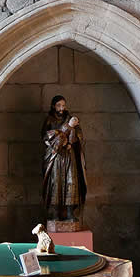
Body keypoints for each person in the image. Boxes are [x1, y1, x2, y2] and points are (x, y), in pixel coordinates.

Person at [41, 95, 87, 227]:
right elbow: (48, 136)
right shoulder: (49, 119)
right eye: (59, 105)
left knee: (71, 182)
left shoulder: (70, 118)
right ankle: (54, 213)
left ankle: (70, 213)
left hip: (69, 156)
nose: (62, 108)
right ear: (53, 106)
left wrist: (71, 137)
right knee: (56, 182)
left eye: (63, 105)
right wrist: (65, 130)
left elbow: (78, 136)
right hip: (56, 157)